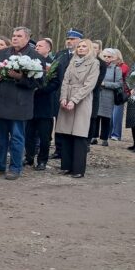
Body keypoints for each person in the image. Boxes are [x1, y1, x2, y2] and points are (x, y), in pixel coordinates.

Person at [0, 27, 41, 180]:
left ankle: (15, 167)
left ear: (27, 38)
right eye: (13, 35)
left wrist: (19, 77)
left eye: (19, 36)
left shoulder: (35, 56)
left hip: (19, 104)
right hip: (0, 101)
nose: (15, 38)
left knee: (16, 138)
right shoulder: (3, 53)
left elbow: (39, 82)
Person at [55, 39, 100, 178]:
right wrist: (63, 98)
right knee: (66, 132)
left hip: (82, 99)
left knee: (79, 134)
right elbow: (65, 81)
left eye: (84, 46)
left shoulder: (94, 63)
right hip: (67, 97)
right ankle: (66, 165)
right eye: (79, 46)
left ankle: (78, 169)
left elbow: (89, 85)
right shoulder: (73, 61)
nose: (80, 48)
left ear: (90, 49)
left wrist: (74, 100)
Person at [24, 38, 59, 170]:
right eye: (36, 45)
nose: (36, 48)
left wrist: (39, 89)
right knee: (29, 134)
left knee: (44, 136)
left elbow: (55, 83)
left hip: (45, 104)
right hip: (30, 104)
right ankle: (29, 157)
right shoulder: (30, 61)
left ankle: (42, 160)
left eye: (40, 46)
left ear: (48, 49)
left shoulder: (54, 63)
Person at [50, 28, 84, 160]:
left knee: (74, 123)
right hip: (60, 92)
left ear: (80, 40)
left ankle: (71, 150)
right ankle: (59, 149)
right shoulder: (61, 54)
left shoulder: (84, 55)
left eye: (73, 39)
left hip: (76, 94)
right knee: (60, 122)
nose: (69, 41)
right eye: (68, 39)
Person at [97, 48, 123, 147]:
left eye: (109, 57)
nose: (107, 58)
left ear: (113, 58)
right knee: (95, 117)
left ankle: (104, 138)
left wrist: (105, 84)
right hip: (97, 95)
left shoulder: (117, 69)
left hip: (109, 96)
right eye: (105, 56)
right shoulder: (97, 66)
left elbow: (119, 84)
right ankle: (93, 137)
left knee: (106, 118)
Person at [88, 39, 108, 145]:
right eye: (92, 47)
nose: (93, 50)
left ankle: (88, 140)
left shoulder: (102, 64)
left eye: (96, 48)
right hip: (81, 94)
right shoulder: (84, 60)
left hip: (93, 93)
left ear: (99, 50)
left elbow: (99, 80)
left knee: (92, 117)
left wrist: (86, 88)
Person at [110, 49, 129, 141]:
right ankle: (108, 133)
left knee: (117, 114)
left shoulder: (123, 66)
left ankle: (116, 134)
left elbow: (120, 77)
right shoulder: (109, 66)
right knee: (109, 113)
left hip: (120, 93)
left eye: (112, 56)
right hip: (110, 91)